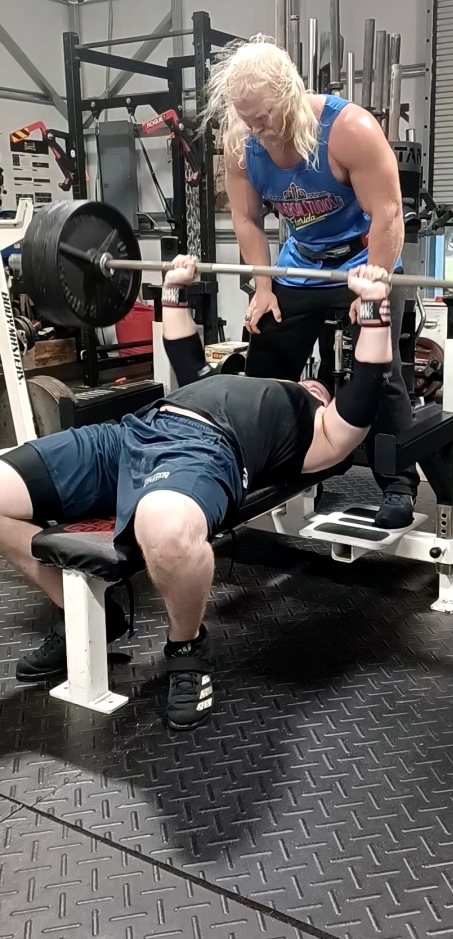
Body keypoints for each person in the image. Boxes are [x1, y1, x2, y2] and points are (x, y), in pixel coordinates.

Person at [0, 257, 398, 731]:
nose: (311, 383)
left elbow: (366, 385)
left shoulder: (320, 431)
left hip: (204, 452)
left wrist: (373, 308)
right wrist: (174, 287)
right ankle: (88, 619)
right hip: (128, 435)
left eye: (320, 388)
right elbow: (183, 348)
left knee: (167, 531)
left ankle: (186, 649)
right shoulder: (224, 381)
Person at [203, 37, 419, 530]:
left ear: (290, 93)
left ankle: (398, 483)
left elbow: (388, 213)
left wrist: (375, 283)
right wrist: (263, 288)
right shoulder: (241, 144)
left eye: (263, 117)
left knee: (380, 368)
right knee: (265, 357)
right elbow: (246, 219)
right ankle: (265, 462)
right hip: (300, 264)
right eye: (246, 119)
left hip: (363, 260)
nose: (255, 129)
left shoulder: (349, 131)